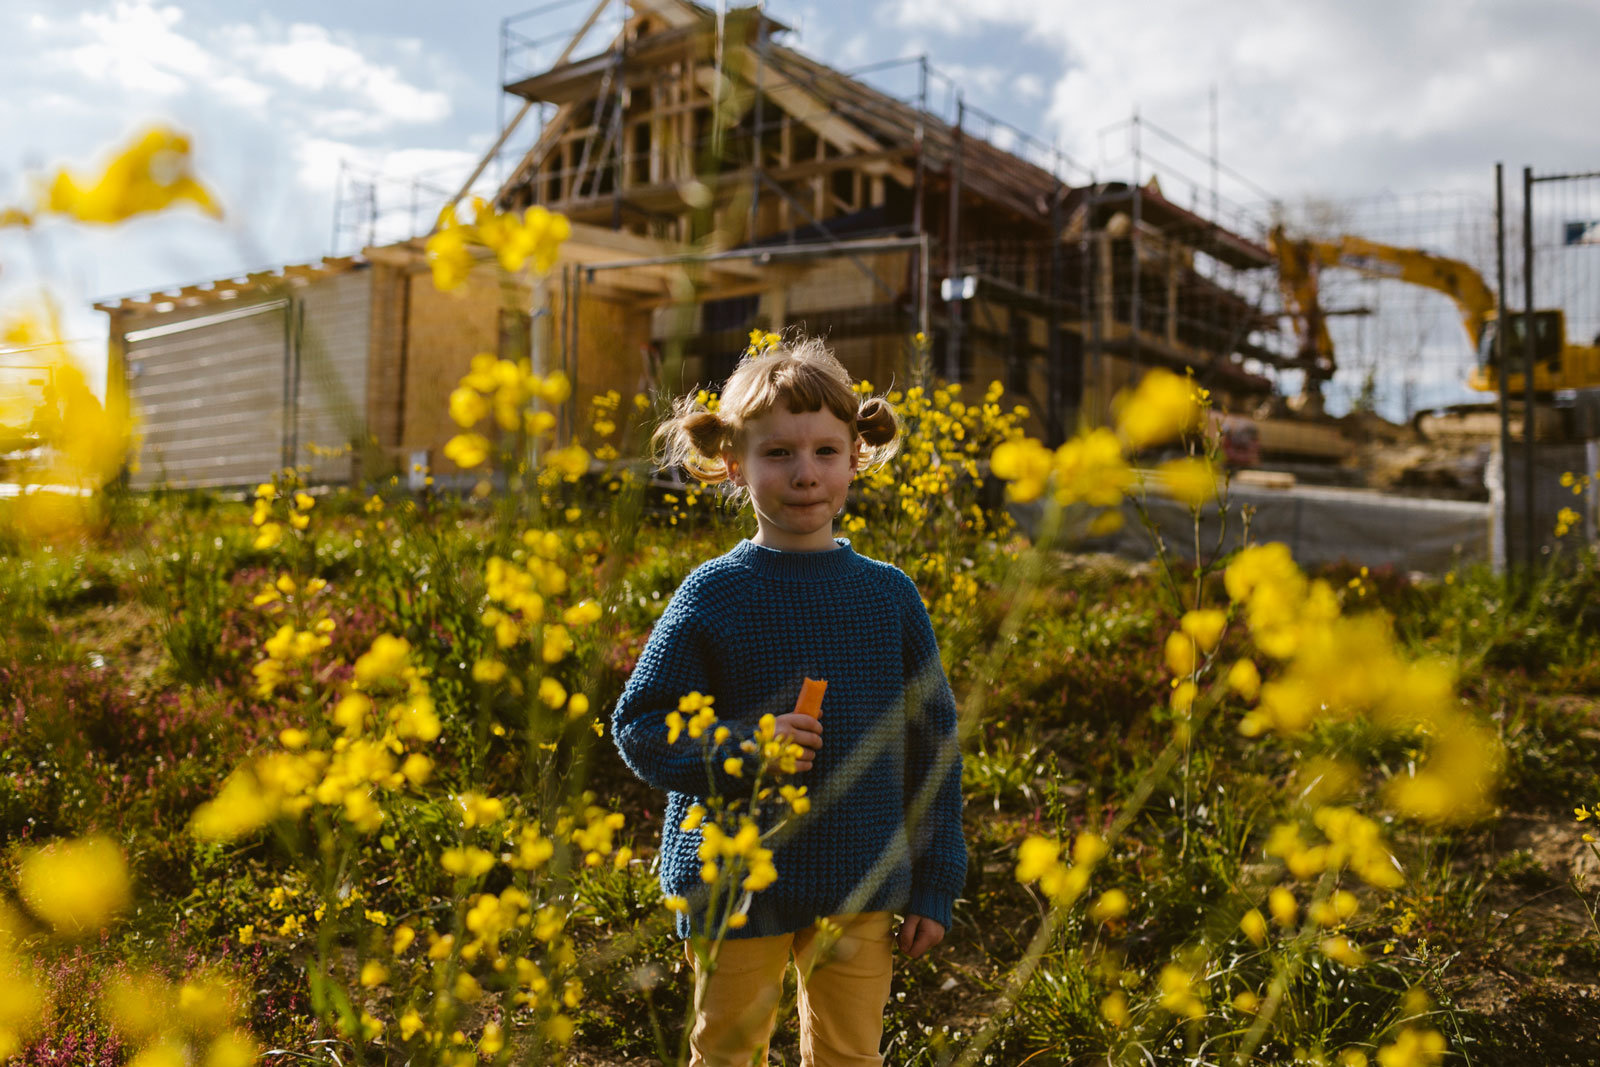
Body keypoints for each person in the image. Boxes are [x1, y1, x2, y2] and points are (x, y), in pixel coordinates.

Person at [610, 334, 966, 1067]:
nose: (805, 474)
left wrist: (935, 880)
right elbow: (639, 727)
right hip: (734, 882)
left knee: (848, 1055)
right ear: (734, 464)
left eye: (825, 452)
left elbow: (935, 743)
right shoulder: (713, 593)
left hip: (860, 880)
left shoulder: (889, 596)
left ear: (855, 457)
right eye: (778, 454)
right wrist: (742, 747)